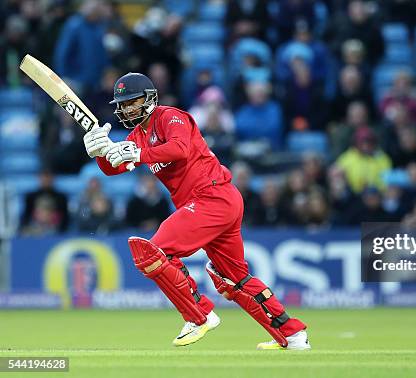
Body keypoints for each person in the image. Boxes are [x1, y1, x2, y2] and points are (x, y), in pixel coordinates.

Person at [82, 72, 309, 350]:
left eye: (133, 101)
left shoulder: (170, 116)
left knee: (152, 252)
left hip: (211, 198)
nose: (128, 108)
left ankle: (199, 315)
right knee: (232, 279)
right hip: (214, 202)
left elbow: (178, 149)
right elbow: (114, 168)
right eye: (123, 104)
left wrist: (138, 154)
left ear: (150, 98)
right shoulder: (138, 135)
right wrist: (100, 152)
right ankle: (292, 334)